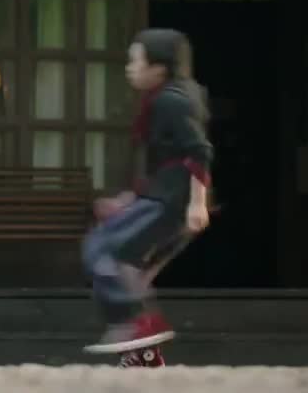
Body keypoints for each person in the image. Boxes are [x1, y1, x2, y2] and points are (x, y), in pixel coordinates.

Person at [81, 28, 214, 364]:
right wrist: (129, 200)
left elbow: (198, 152)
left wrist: (197, 204)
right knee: (129, 268)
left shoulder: (172, 100)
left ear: (158, 68)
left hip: (172, 201)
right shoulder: (167, 97)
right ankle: (143, 353)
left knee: (101, 248)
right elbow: (164, 160)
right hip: (164, 196)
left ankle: (133, 325)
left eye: (135, 61)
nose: (129, 68)